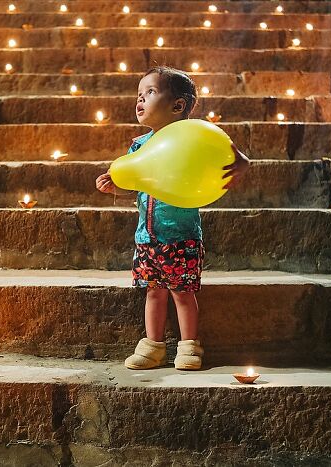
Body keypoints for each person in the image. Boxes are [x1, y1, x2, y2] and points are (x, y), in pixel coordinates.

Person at [96, 65, 249, 370]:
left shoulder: (194, 139)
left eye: (149, 93)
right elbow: (136, 182)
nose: (139, 100)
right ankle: (153, 346)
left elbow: (233, 156)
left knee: (182, 293)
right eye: (138, 95)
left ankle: (189, 346)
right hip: (147, 237)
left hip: (181, 236)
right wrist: (116, 186)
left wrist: (242, 164)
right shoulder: (139, 146)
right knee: (154, 292)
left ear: (178, 106)